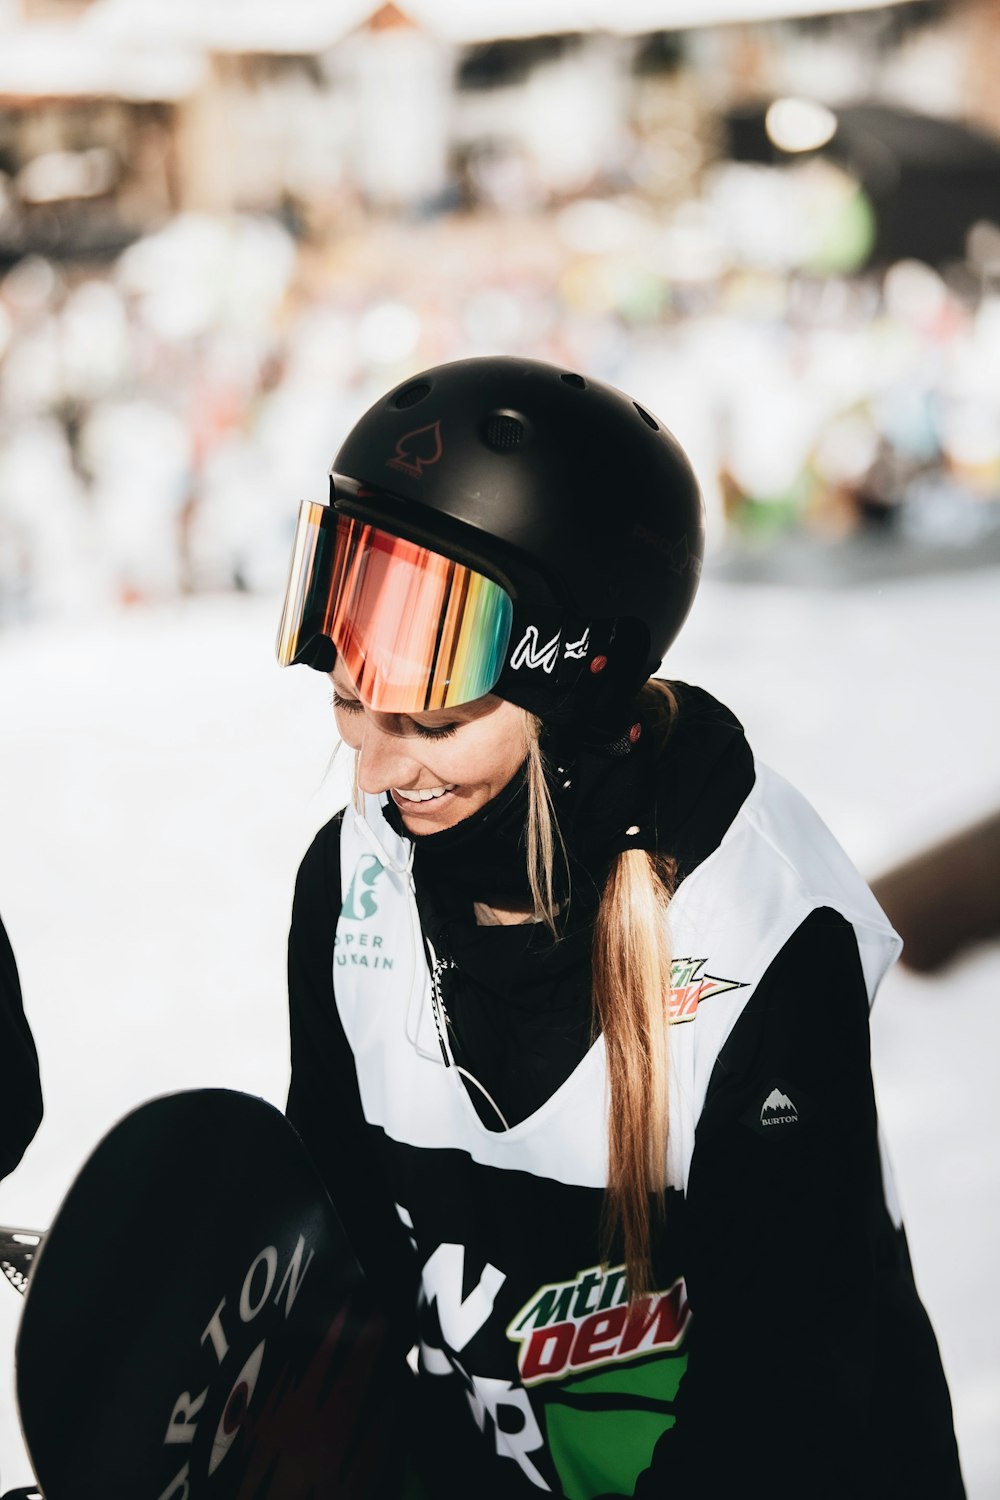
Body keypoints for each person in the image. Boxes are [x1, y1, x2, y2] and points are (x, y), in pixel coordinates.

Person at [278, 357, 964, 1498]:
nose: (374, 770)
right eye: (348, 700)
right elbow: (345, 1267)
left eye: (433, 720)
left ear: (577, 688)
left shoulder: (756, 927)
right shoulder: (351, 885)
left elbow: (792, 1402)